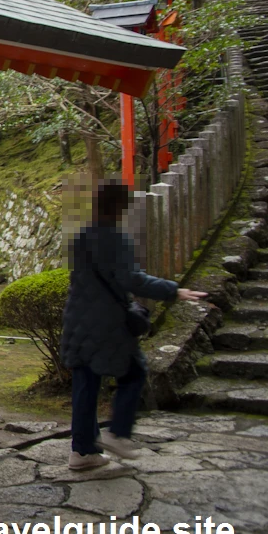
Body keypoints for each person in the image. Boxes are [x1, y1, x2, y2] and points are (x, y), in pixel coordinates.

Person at [60, 179, 207, 470]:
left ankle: (82, 451)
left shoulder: (80, 237)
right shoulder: (117, 239)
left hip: (77, 317)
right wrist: (173, 290)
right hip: (108, 322)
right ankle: (119, 433)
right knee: (134, 371)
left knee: (85, 384)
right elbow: (132, 280)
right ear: (119, 206)